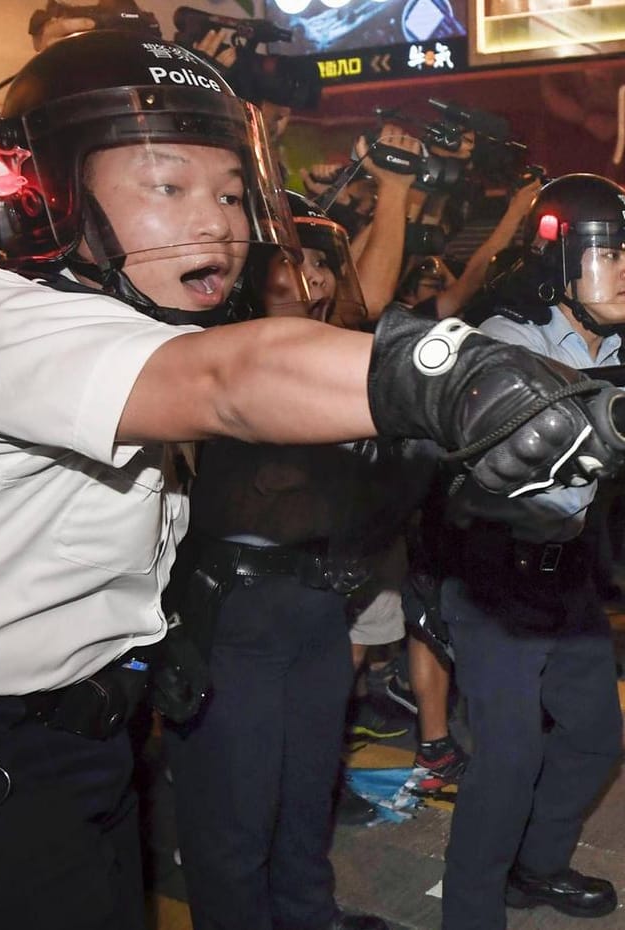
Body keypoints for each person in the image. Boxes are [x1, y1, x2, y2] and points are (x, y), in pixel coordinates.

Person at [0, 33, 625, 929]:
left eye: (226, 191)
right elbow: (230, 380)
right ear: (50, 188)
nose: (212, 220)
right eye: (166, 186)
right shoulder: (4, 314)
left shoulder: (132, 321)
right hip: (10, 748)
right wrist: (449, 377)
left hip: (92, 725)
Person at [428, 174, 625, 930]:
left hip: (566, 573)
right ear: (558, 261)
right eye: (609, 252)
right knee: (505, 764)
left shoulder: (623, 346)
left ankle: (536, 868)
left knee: (592, 738)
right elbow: (562, 412)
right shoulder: (505, 340)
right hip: (491, 576)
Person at [165, 192, 435, 930]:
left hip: (318, 611)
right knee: (235, 821)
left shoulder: (339, 362)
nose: (312, 277)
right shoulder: (220, 358)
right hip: (235, 619)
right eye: (292, 263)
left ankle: (310, 918)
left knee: (307, 797)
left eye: (320, 262)